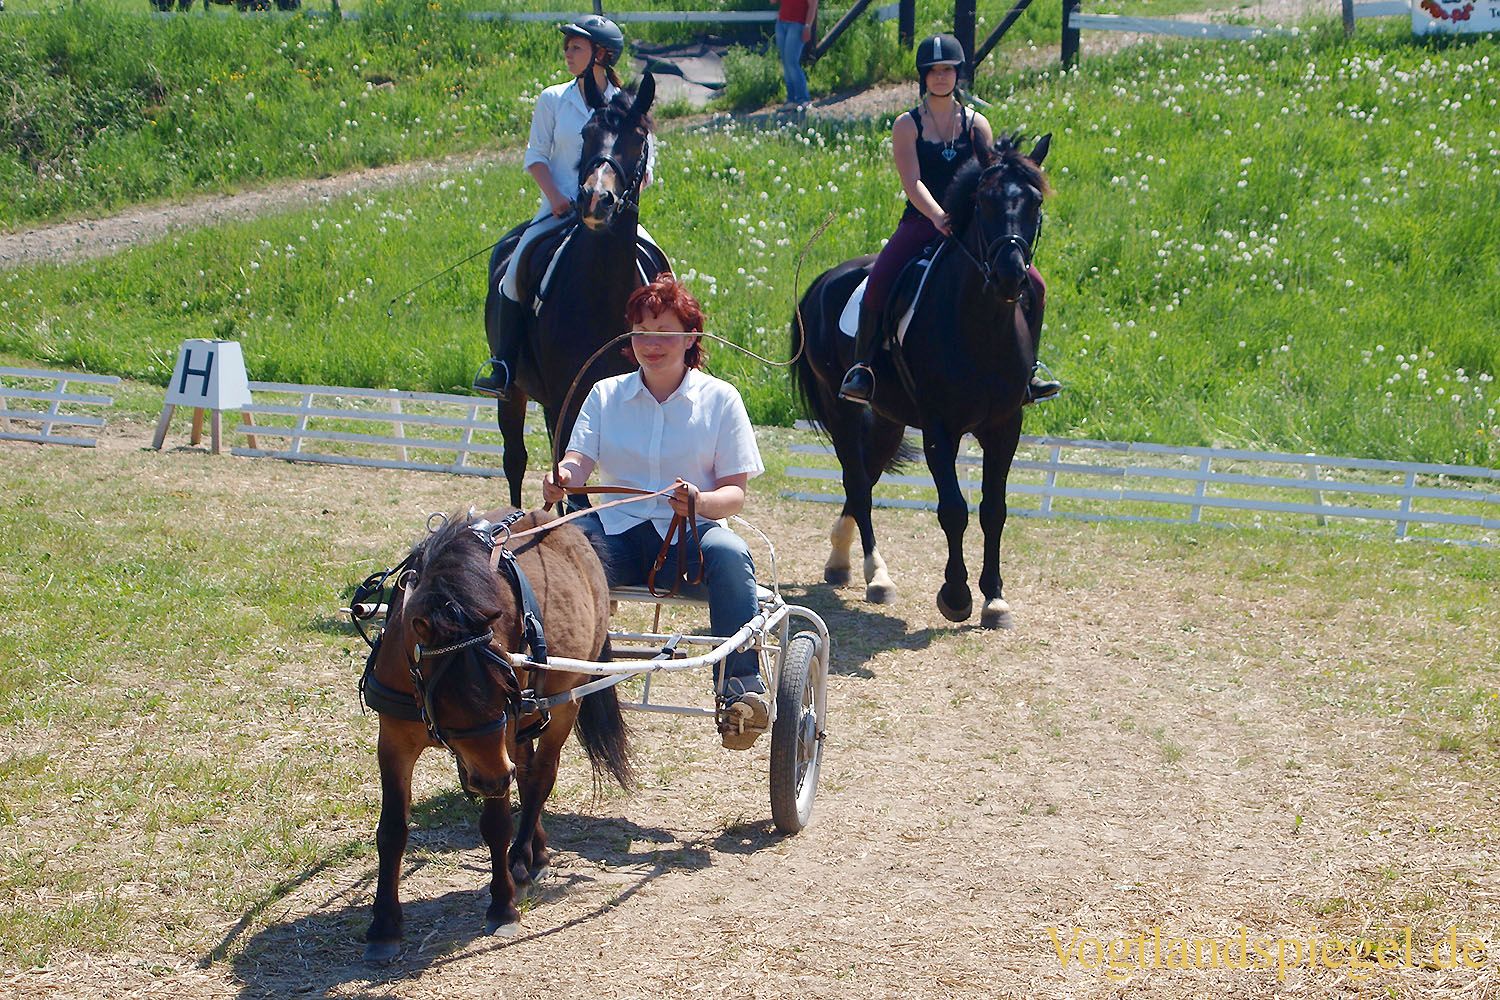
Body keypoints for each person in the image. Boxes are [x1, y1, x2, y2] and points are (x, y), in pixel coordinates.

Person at [542, 276, 770, 750]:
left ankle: (740, 690)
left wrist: (700, 502)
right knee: (554, 550)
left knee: (731, 555)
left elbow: (734, 494)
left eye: (664, 331)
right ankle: (546, 671)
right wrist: (563, 476)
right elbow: (578, 463)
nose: (652, 343)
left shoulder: (721, 399)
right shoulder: (605, 395)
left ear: (690, 338)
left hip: (691, 535)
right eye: (642, 331)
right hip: (617, 532)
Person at [837, 34, 1060, 406]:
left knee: (1035, 284)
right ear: (923, 76)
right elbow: (912, 181)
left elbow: (989, 178)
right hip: (922, 221)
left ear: (958, 74)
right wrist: (937, 215)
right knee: (879, 281)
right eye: (933, 70)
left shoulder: (977, 124)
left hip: (970, 228)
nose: (940, 77)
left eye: (947, 70)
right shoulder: (906, 125)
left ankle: (1029, 371)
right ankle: (864, 368)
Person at [475, 14, 655, 399]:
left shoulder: (628, 103)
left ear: (602, 54)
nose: (567, 54)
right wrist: (557, 197)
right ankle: (504, 364)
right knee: (514, 270)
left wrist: (614, 201)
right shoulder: (554, 99)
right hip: (559, 211)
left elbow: (644, 168)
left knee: (661, 272)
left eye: (576, 47)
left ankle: (679, 358)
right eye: (567, 47)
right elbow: (536, 157)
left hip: (614, 217)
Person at [775, 0, 817, 110]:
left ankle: (804, 99)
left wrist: (808, 26)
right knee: (786, 63)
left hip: (798, 24)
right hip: (781, 22)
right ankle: (791, 99)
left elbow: (812, 5)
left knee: (791, 62)